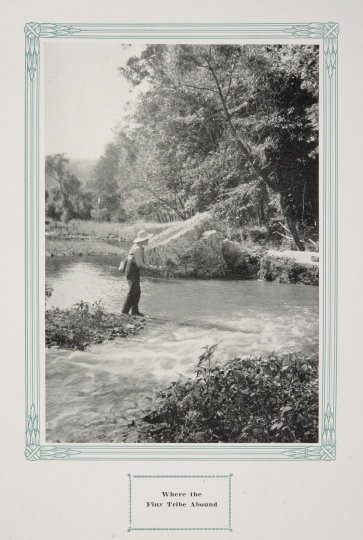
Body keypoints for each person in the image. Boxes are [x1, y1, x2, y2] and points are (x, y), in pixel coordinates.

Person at [121, 230, 159, 317]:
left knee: (137, 292)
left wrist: (150, 265)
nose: (148, 240)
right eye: (147, 239)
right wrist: (150, 268)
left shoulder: (136, 246)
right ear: (143, 240)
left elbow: (139, 262)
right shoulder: (138, 249)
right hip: (132, 270)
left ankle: (134, 311)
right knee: (133, 292)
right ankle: (124, 312)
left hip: (132, 269)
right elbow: (139, 264)